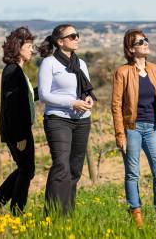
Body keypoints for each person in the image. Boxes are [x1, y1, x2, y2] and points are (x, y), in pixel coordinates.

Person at [111, 29, 156, 229]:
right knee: (132, 173)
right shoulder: (122, 72)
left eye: (146, 40)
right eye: (140, 41)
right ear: (131, 48)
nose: (146, 43)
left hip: (153, 128)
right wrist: (120, 134)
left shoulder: (154, 69)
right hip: (132, 129)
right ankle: (136, 216)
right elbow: (116, 105)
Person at [38, 24, 96, 215]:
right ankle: (52, 214)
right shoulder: (50, 63)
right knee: (61, 165)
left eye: (77, 35)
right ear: (60, 41)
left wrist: (87, 100)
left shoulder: (81, 64)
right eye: (72, 36)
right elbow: (44, 95)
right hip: (58, 119)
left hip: (82, 120)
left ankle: (67, 214)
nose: (76, 38)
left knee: (75, 169)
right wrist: (72, 103)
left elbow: (87, 90)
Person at [0, 27, 38, 215]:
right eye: (29, 46)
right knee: (26, 170)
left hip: (20, 129)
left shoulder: (16, 71)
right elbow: (13, 105)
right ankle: (16, 210)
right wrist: (20, 135)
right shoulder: (12, 71)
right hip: (18, 131)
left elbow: (26, 97)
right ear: (18, 47)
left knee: (26, 168)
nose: (32, 50)